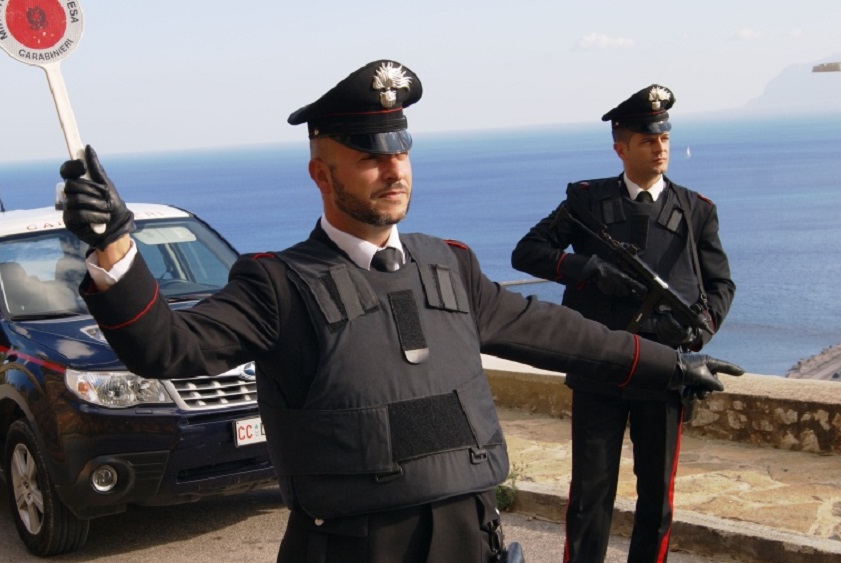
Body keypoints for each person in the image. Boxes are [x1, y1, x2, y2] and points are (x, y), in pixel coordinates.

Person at [59, 63, 742, 563]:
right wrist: (115, 250)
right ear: (321, 175)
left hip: (470, 538)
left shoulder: (447, 264)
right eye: (369, 158)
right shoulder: (277, 284)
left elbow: (560, 333)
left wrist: (672, 364)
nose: (394, 169)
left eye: (400, 151)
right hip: (353, 546)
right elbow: (166, 348)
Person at [510, 84, 736, 563]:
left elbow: (720, 285)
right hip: (599, 364)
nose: (661, 148)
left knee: (656, 499)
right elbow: (527, 252)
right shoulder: (586, 202)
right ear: (621, 147)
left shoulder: (696, 211)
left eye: (665, 139)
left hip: (664, 369)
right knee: (591, 494)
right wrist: (587, 269)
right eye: (649, 140)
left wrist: (699, 332)